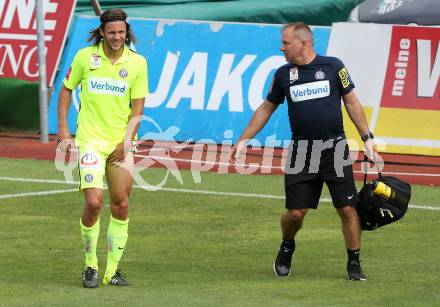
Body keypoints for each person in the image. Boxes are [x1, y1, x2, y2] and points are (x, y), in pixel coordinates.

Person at [230, 22, 378, 281]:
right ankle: (287, 244)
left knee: (347, 208)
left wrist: (367, 138)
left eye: (286, 43)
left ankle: (354, 262)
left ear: (304, 43)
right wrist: (244, 139)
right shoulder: (283, 74)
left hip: (335, 149)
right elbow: (266, 108)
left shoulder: (333, 66)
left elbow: (351, 102)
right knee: (296, 213)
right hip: (301, 152)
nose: (281, 47)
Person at [57, 8, 148, 288]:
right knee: (94, 202)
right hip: (90, 141)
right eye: (112, 32)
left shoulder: (137, 63)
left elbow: (138, 105)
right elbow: (66, 89)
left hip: (120, 145)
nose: (117, 37)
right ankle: (90, 266)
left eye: (121, 32)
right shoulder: (85, 57)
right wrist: (63, 128)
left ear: (126, 32)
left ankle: (112, 271)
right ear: (102, 33)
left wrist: (128, 140)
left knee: (121, 205)